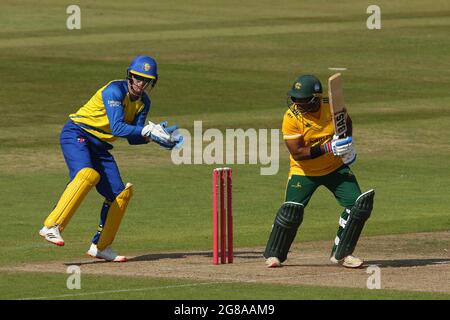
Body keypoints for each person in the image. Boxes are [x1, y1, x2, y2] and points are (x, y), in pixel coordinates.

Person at [39, 55, 183, 262]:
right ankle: (52, 225)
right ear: (130, 76)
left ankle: (101, 246)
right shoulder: (114, 91)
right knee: (87, 175)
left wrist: (160, 139)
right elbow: (117, 127)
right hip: (77, 133)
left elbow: (134, 137)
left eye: (146, 80)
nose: (140, 83)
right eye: (137, 77)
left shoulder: (144, 103)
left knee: (120, 194)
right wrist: (148, 131)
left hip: (99, 145)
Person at [263, 74, 374, 268]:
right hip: (304, 171)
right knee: (291, 212)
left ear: (315, 99)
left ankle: (342, 254)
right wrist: (328, 147)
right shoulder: (291, 117)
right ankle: (274, 255)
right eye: (295, 99)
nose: (297, 103)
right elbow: (297, 152)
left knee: (358, 206)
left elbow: (346, 123)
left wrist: (347, 142)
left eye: (302, 100)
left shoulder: (331, 106)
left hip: (335, 168)